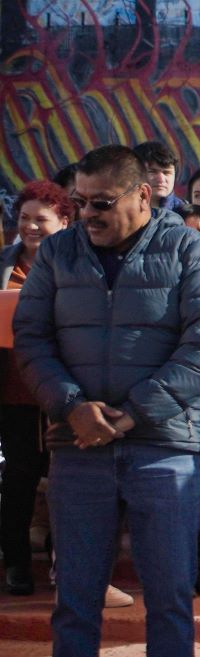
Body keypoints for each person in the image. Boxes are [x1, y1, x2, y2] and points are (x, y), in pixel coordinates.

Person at [13, 145, 200, 657]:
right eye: (79, 202)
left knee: (168, 600)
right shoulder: (57, 254)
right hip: (77, 450)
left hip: (164, 449)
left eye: (101, 203)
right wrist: (73, 407)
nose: (86, 215)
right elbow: (33, 340)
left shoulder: (191, 252)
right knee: (75, 603)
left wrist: (134, 413)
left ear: (144, 196)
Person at [1, 182, 70, 596]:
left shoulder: (78, 267)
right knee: (19, 478)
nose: (30, 227)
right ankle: (16, 563)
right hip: (14, 393)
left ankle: (68, 566)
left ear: (63, 222)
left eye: (40, 220)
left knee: (67, 482)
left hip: (63, 392)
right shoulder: (4, 264)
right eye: (24, 219)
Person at [134, 142, 187, 215]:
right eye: (152, 172)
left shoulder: (186, 214)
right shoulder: (122, 211)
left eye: (166, 173)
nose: (161, 179)